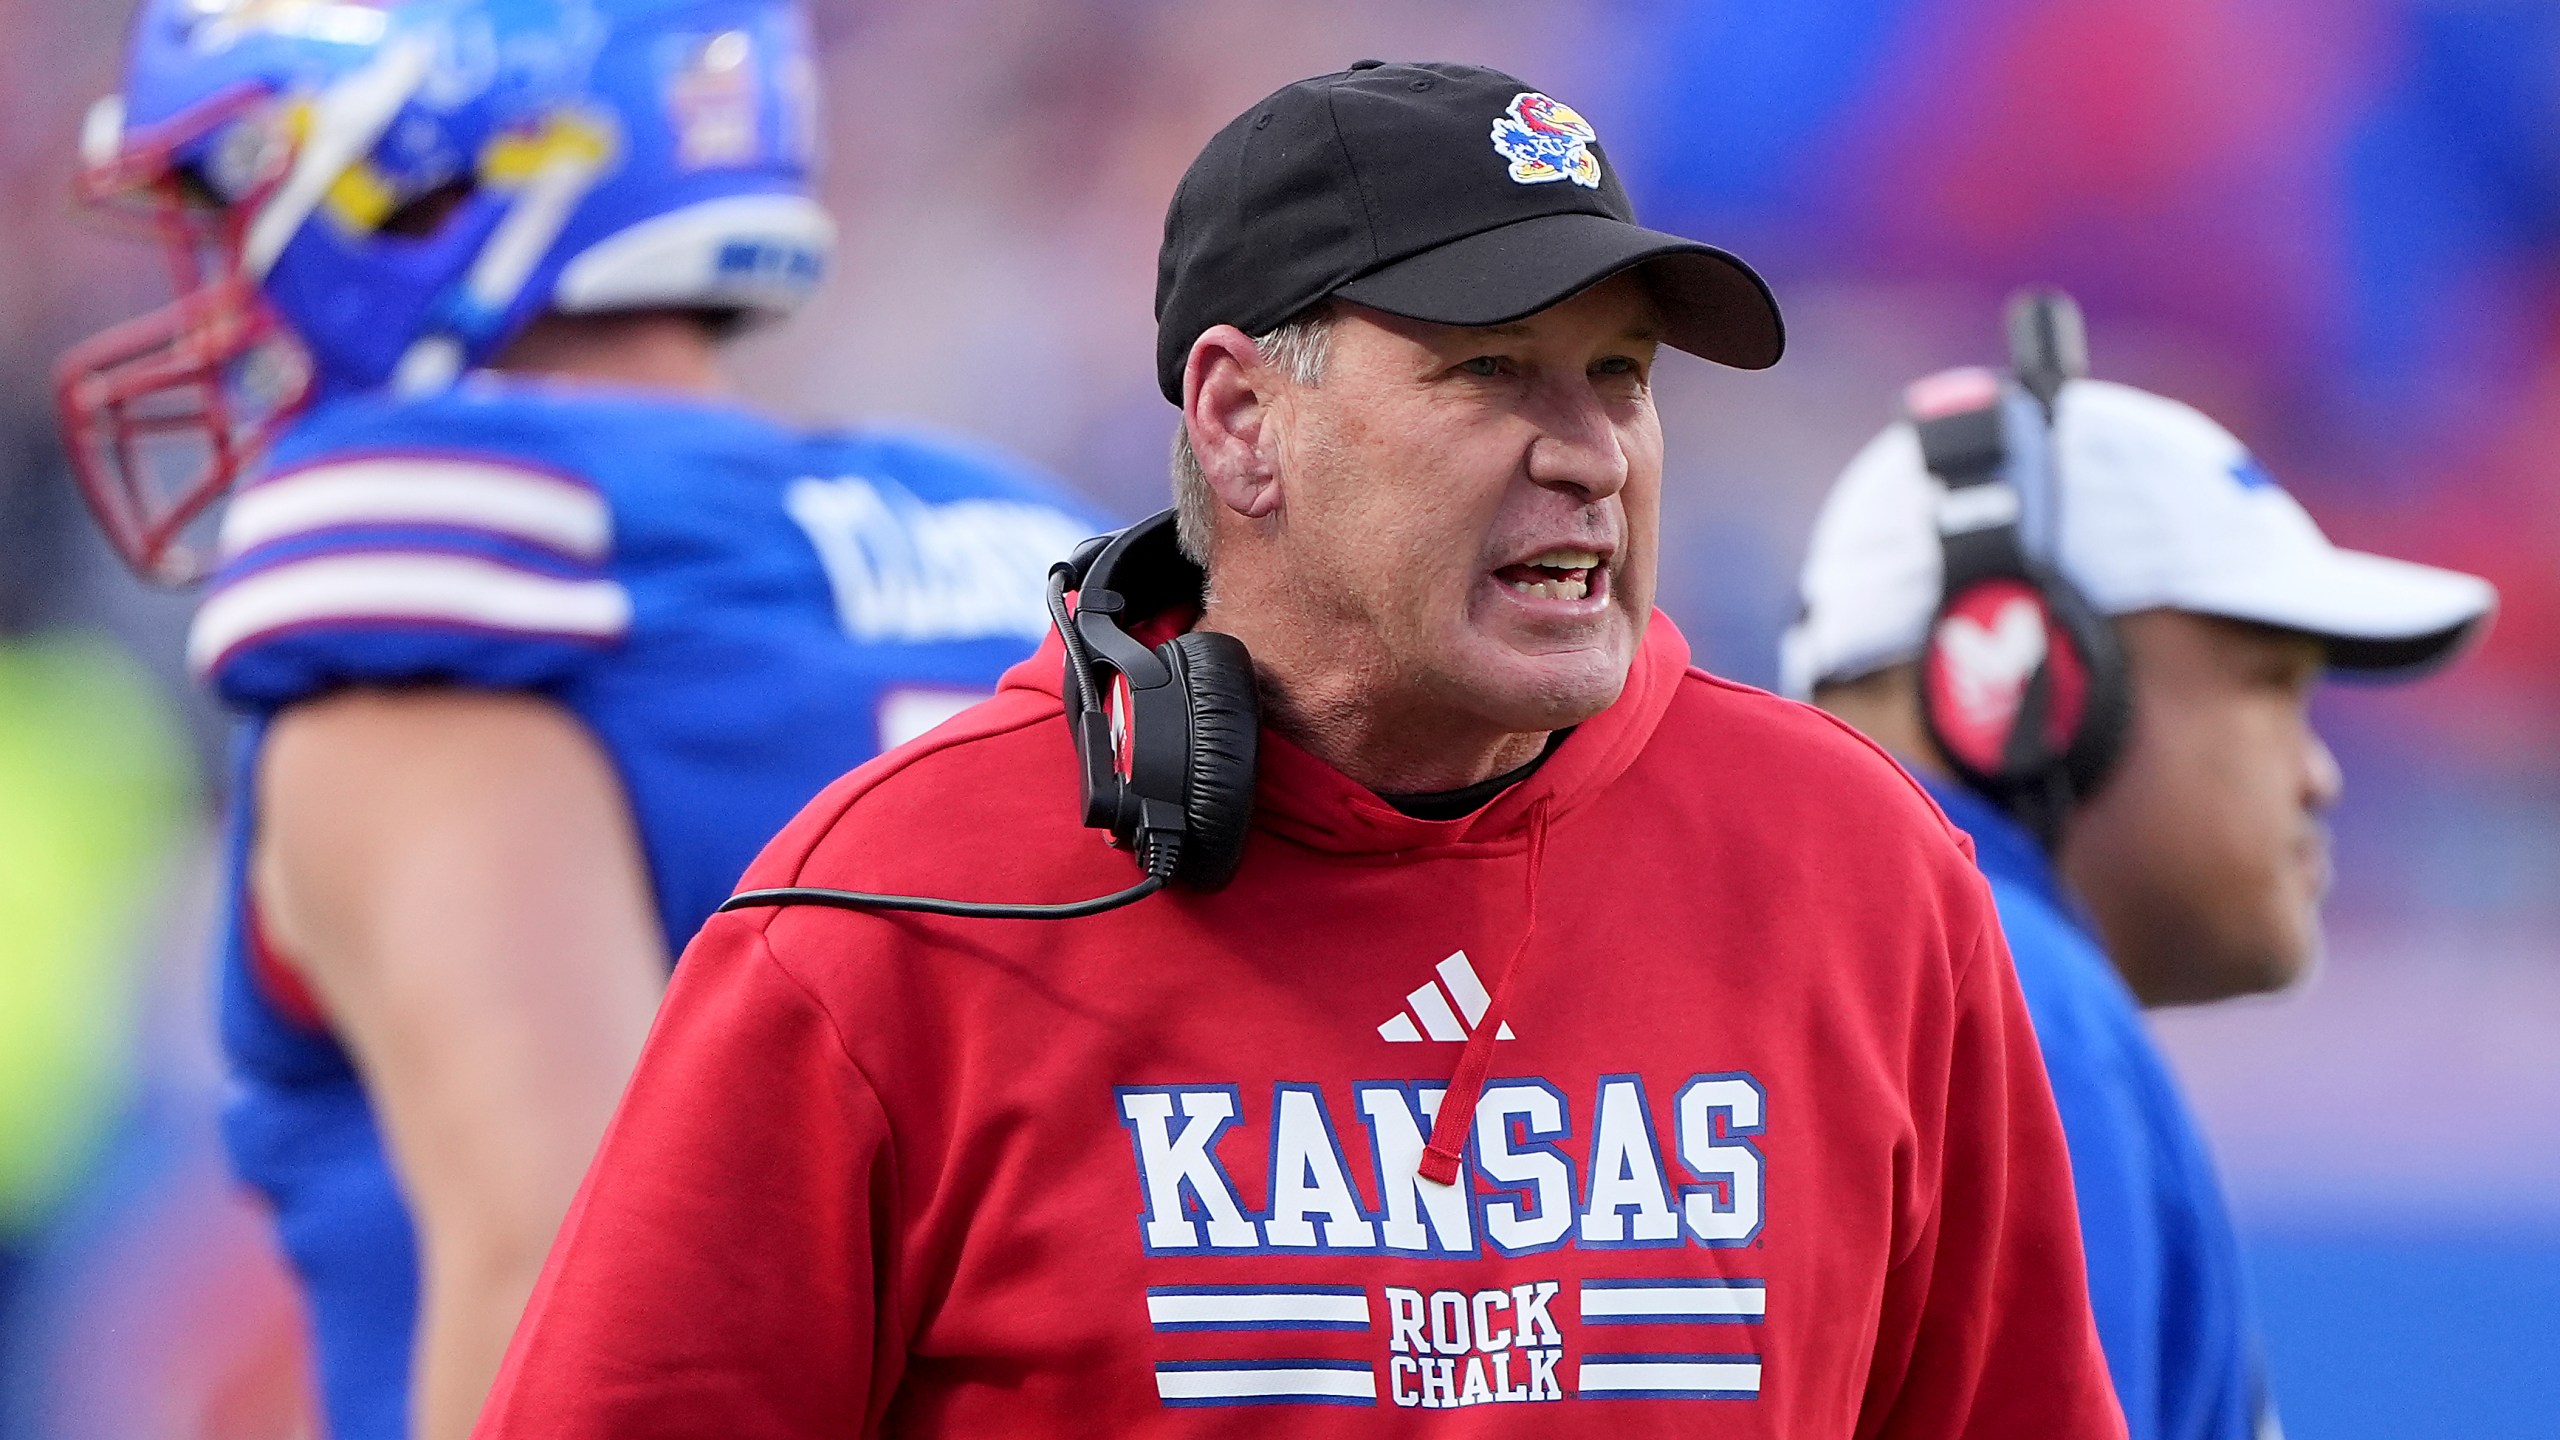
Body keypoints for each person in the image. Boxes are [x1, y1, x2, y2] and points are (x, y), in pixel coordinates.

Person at [479, 61, 2124, 1438]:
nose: (1592, 452)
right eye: (1490, 372)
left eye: (1620, 378)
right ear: (1239, 420)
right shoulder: (891, 914)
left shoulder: (1863, 873)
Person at [52, 4, 1102, 1439]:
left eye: (245, 187)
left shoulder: (449, 609)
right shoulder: (1017, 542)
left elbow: (561, 1280)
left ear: (430, 185)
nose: (227, 278)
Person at [1779, 334, 2496, 1440]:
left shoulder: (1834, 974)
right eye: (2270, 684)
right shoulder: (2010, 997)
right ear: (2019, 673)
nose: (2319, 773)